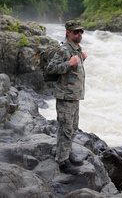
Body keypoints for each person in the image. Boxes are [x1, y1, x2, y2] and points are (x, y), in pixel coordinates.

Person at [46, 19, 87, 174]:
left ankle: (67, 154)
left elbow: (74, 71)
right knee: (66, 129)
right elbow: (51, 69)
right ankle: (63, 162)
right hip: (65, 97)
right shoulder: (64, 50)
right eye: (76, 32)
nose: (79, 34)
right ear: (68, 33)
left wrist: (81, 60)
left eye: (81, 31)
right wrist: (69, 63)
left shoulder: (76, 48)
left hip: (74, 96)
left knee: (73, 127)